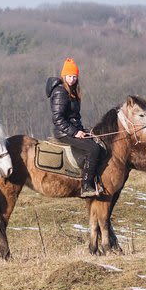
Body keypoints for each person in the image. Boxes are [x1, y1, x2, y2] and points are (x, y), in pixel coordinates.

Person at [46, 57, 102, 198]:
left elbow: (74, 116)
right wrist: (75, 132)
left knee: (98, 143)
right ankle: (85, 186)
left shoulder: (73, 91)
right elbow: (57, 118)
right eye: (69, 76)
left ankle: (97, 180)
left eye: (74, 76)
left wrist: (83, 130)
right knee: (93, 149)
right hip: (63, 132)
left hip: (73, 129)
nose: (72, 79)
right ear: (63, 75)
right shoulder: (60, 92)